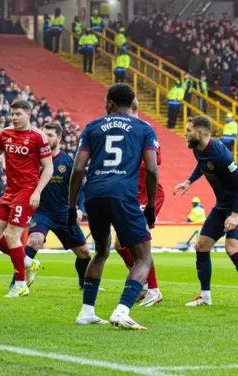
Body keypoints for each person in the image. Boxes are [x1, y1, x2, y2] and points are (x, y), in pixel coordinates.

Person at [68, 83, 159, 330]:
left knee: (100, 250)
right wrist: (150, 206)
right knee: (143, 258)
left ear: (109, 103)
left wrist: (71, 207)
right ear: (131, 105)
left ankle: (86, 312)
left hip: (94, 193)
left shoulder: (92, 127)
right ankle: (122, 310)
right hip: (124, 194)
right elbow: (151, 169)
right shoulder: (144, 129)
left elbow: (77, 170)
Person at [173, 116, 238, 309]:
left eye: (188, 130)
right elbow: (202, 165)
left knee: (232, 247)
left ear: (199, 133)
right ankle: (205, 297)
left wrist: (235, 214)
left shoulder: (221, 154)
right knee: (202, 246)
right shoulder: (198, 149)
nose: (185, 133)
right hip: (222, 205)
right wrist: (188, 181)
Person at [0, 99, 53, 298]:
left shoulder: (38, 137)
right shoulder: (6, 134)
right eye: (12, 114)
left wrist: (37, 192)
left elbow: (48, 167)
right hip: (10, 191)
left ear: (28, 114)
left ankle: (20, 284)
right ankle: (29, 262)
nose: (14, 118)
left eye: (18, 114)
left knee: (13, 235)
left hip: (27, 191)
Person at [8, 122, 91, 290]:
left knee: (84, 253)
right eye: (43, 135)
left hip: (64, 213)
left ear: (59, 138)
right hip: (42, 212)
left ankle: (84, 284)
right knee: (34, 241)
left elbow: (80, 189)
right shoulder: (34, 160)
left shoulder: (68, 162)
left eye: (50, 136)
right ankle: (17, 284)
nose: (46, 139)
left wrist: (79, 207)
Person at [113, 98, 164, 308]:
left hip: (147, 193)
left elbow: (155, 162)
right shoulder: (123, 131)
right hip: (131, 193)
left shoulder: (145, 129)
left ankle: (153, 290)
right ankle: (142, 285)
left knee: (139, 242)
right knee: (119, 244)